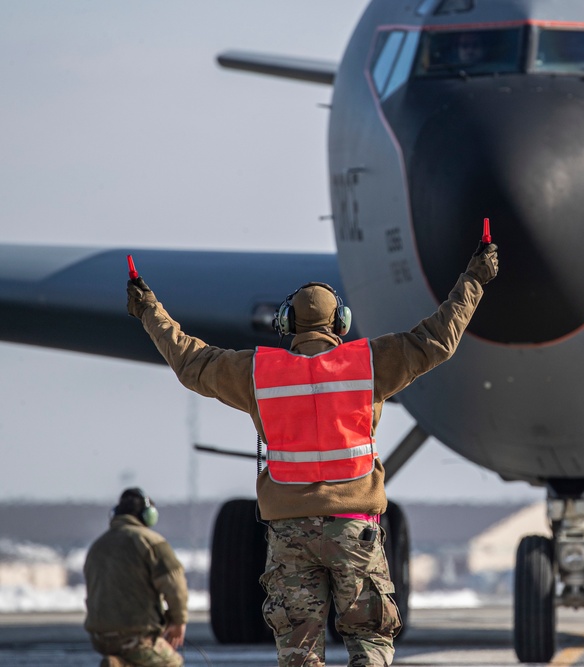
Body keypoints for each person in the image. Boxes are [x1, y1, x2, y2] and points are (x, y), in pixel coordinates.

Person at [125, 241, 499, 667]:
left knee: (299, 650)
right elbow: (438, 338)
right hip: (353, 530)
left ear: (288, 323)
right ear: (340, 323)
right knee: (370, 641)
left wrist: (149, 309)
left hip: (289, 534)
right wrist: (474, 280)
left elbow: (191, 360)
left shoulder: (257, 373)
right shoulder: (371, 364)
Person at [84, 488, 188, 667]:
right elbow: (174, 585)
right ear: (148, 516)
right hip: (135, 637)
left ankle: (118, 663)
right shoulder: (151, 542)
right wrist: (179, 621)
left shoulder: (97, 546)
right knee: (173, 663)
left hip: (100, 639)